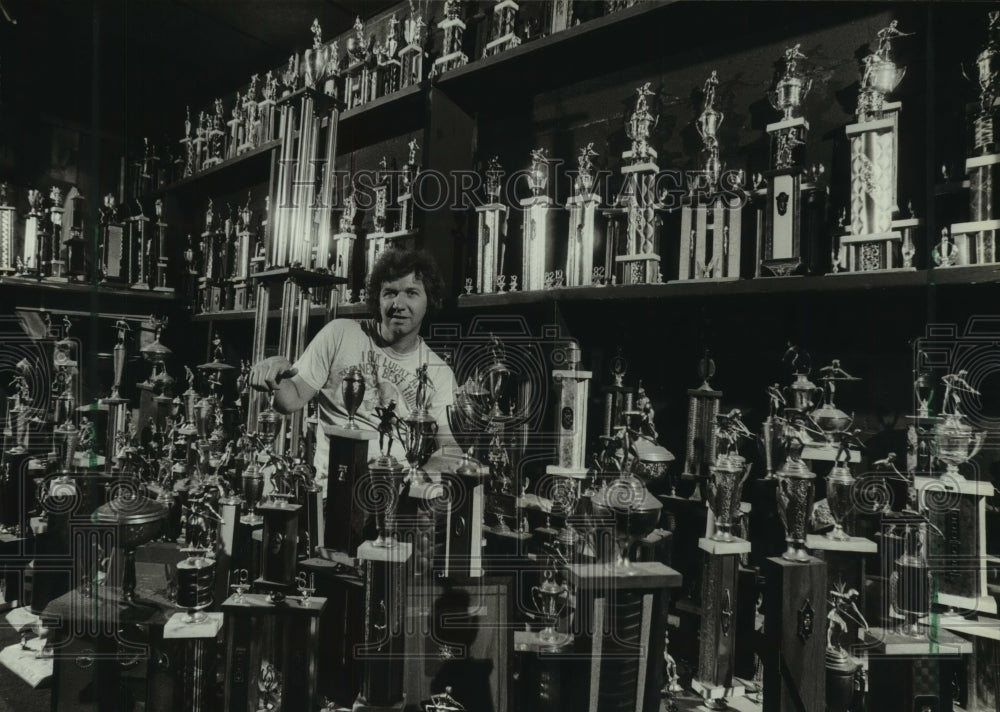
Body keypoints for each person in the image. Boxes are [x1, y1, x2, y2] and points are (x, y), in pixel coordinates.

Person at [249, 248, 459, 486]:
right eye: (389, 293)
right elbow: (290, 400)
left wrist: (420, 478)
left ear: (428, 300)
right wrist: (276, 373)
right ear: (376, 299)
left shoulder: (438, 372)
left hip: (395, 496)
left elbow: (450, 448)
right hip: (331, 493)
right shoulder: (339, 334)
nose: (398, 304)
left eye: (411, 293)